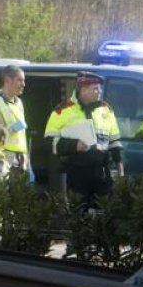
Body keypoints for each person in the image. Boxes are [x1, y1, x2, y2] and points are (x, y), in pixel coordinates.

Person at [44, 71, 123, 208]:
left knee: (105, 215)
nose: (99, 92)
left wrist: (120, 168)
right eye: (95, 88)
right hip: (77, 173)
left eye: (100, 88)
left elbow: (114, 142)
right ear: (83, 90)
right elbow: (49, 142)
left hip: (102, 172)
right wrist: (74, 145)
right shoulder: (62, 110)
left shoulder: (106, 109)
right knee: (79, 215)